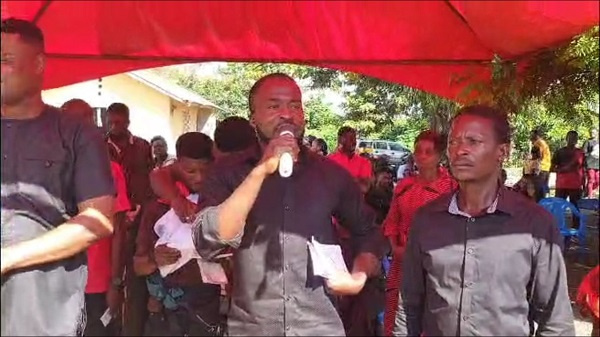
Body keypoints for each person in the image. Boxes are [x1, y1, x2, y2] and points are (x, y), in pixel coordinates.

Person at [152, 73, 382, 336]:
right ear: (253, 118)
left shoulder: (331, 175)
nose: (287, 114)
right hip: (252, 327)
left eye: (295, 105)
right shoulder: (227, 172)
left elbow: (369, 231)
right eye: (274, 106)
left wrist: (358, 277)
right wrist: (261, 171)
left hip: (319, 326)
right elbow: (210, 240)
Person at [400, 105, 574, 336]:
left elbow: (555, 322)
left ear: (502, 151)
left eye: (473, 141)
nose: (459, 150)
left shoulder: (534, 224)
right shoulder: (426, 220)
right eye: (453, 142)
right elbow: (408, 307)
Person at [1, 18, 115, 336]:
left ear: (38, 63)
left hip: (41, 307)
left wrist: (8, 257)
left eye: (5, 60)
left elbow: (99, 220)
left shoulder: (77, 134)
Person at [135, 132, 222, 336]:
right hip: (167, 310)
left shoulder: (219, 200)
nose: (199, 177)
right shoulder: (159, 207)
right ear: (176, 165)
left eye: (205, 169)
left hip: (207, 309)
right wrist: (154, 258)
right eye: (190, 171)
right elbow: (139, 267)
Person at [61, 98, 131, 336]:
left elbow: (119, 229)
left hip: (97, 282)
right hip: (56, 281)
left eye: (83, 119)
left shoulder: (110, 170)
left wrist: (115, 282)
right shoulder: (46, 168)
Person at [382, 130, 456, 336]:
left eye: (428, 152)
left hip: (436, 265)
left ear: (440, 156)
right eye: (418, 151)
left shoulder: (451, 189)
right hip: (402, 261)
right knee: (398, 319)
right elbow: (391, 222)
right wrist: (395, 247)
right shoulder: (404, 186)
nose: (422, 156)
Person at [106, 102, 155, 335]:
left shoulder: (143, 146)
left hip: (140, 218)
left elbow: (150, 180)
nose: (114, 126)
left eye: (119, 122)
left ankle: (133, 329)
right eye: (111, 121)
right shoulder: (99, 147)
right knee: (111, 277)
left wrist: (139, 211)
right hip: (113, 218)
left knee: (136, 281)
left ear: (127, 121)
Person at [329, 126, 373, 193]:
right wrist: (356, 180)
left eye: (355, 139)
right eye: (350, 139)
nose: (354, 142)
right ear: (341, 140)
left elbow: (364, 188)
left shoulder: (364, 162)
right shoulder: (330, 160)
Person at [552, 130, 585, 209]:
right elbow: (552, 167)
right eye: (571, 138)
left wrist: (584, 185)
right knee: (559, 208)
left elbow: (584, 170)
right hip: (563, 184)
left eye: (574, 138)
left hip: (575, 185)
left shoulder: (581, 153)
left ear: (577, 140)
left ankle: (574, 221)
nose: (573, 140)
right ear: (566, 139)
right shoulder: (559, 152)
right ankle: (557, 221)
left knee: (575, 209)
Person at [530, 128, 552, 195]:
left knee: (537, 192)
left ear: (536, 135)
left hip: (540, 169)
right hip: (546, 168)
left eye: (532, 135)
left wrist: (531, 165)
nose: (530, 137)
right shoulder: (544, 143)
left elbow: (539, 156)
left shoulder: (537, 143)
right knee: (543, 191)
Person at [583, 128, 599, 198]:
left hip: (598, 163)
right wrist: (591, 154)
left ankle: (589, 191)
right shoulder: (588, 142)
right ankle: (590, 195)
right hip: (590, 163)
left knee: (598, 179)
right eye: (591, 132)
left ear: (597, 133)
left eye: (594, 132)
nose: (592, 134)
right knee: (591, 179)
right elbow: (584, 152)